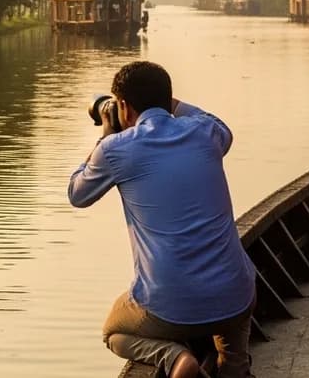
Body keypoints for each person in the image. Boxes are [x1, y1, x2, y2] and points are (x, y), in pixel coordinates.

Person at [68, 61, 256, 378]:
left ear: (123, 106)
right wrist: (164, 102)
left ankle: (174, 358)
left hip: (170, 307)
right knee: (232, 321)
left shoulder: (115, 150)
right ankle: (235, 366)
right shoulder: (206, 132)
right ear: (168, 100)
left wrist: (104, 134)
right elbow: (217, 125)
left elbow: (77, 193)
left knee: (114, 331)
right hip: (236, 297)